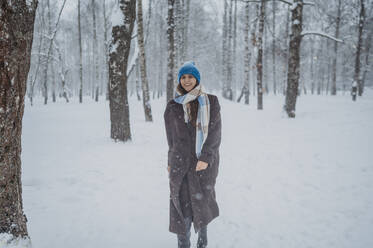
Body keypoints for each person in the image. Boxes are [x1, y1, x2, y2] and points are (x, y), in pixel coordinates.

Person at [164, 61, 222, 248]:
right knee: (181, 207)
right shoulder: (172, 106)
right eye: (183, 77)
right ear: (179, 80)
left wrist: (206, 158)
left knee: (201, 204)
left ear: (197, 79)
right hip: (180, 163)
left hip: (202, 164)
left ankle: (202, 241)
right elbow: (170, 138)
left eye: (190, 77)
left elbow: (215, 133)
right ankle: (183, 244)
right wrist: (170, 160)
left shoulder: (210, 102)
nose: (187, 80)